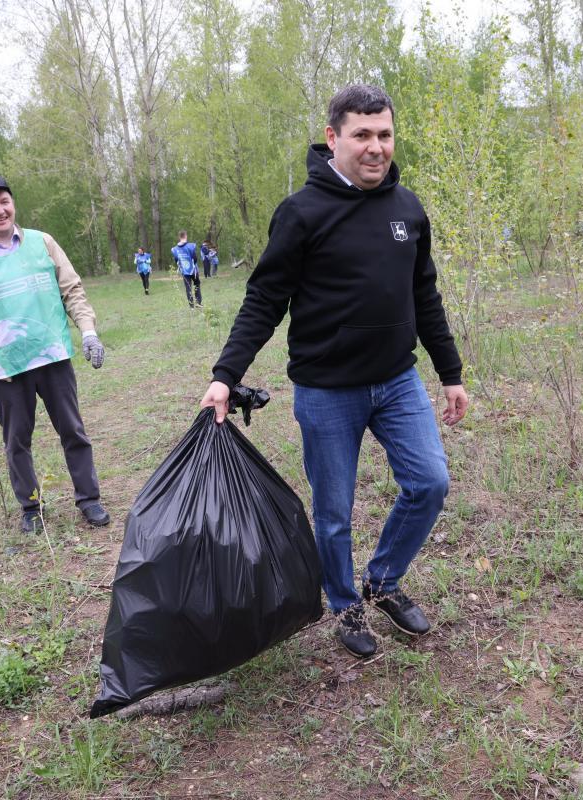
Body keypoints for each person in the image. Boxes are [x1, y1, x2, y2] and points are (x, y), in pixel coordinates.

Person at [199, 85, 469, 659]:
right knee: (333, 511)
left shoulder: (408, 209)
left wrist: (451, 372)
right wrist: (226, 373)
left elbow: (426, 297)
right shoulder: (301, 213)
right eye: (362, 135)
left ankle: (384, 580)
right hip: (327, 392)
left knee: (429, 484)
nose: (376, 148)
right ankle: (345, 601)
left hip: (398, 382)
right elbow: (264, 300)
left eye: (385, 135)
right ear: (334, 138)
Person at [0, 172, 111, 533]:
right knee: (16, 442)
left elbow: (72, 290)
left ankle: (89, 499)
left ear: (13, 204)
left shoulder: (44, 242)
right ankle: (31, 507)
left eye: (3, 201)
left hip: (53, 357)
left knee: (73, 430)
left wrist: (88, 332)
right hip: (7, 368)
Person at [171, 231, 201, 308]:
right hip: (193, 270)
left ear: (179, 237)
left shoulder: (175, 249)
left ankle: (191, 306)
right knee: (196, 284)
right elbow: (195, 257)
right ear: (185, 236)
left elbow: (176, 259)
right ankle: (198, 302)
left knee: (188, 288)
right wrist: (194, 264)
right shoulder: (191, 246)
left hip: (184, 270)